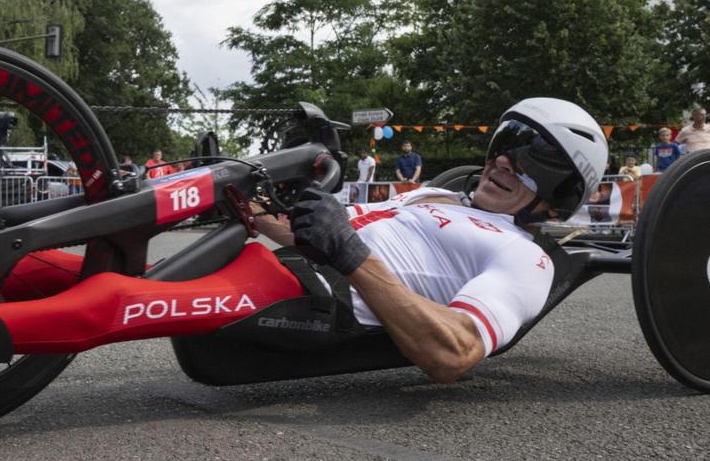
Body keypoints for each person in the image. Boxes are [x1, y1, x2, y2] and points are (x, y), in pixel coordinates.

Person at [255, 97, 608, 384]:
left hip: (317, 294)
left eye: (529, 162)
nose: (502, 160)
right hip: (280, 266)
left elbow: (454, 352)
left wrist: (349, 252)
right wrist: (248, 203)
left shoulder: (525, 257)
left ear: (559, 196)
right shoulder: (438, 194)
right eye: (506, 145)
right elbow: (319, 229)